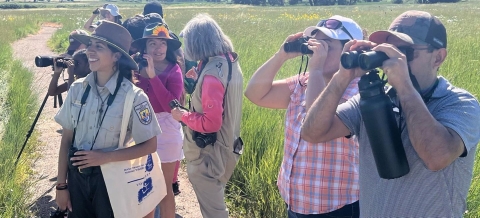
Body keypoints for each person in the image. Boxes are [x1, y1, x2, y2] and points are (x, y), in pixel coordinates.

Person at [301, 10, 480, 217]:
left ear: (438, 57)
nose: (396, 59)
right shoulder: (372, 99)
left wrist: (404, 86)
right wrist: (343, 77)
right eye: (389, 51)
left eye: (406, 52)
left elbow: (436, 158)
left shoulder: (460, 103)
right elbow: (313, 133)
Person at [245, 15, 363, 217]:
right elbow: (255, 94)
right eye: (316, 45)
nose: (318, 52)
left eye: (327, 46)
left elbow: (316, 124)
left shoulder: (358, 91)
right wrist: (281, 55)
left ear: (351, 51)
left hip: (335, 206)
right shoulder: (303, 82)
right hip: (296, 200)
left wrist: (316, 69)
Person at [54, 21, 161, 218]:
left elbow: (150, 145)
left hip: (112, 181)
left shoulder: (134, 97)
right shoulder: (77, 89)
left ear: (116, 56)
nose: (90, 51)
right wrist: (61, 185)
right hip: (77, 179)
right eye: (90, 45)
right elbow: (66, 141)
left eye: (98, 46)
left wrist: (105, 157)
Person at [171, 13, 243, 218]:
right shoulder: (229, 61)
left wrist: (182, 115)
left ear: (197, 42)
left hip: (209, 155)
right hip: (227, 147)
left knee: (214, 212)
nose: (185, 47)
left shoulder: (212, 74)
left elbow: (210, 123)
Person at [131, 22, 184, 218]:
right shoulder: (135, 69)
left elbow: (170, 106)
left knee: (163, 188)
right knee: (143, 186)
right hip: (140, 130)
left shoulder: (174, 70)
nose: (159, 48)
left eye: (163, 43)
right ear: (144, 47)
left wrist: (153, 77)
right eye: (152, 43)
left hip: (166, 130)